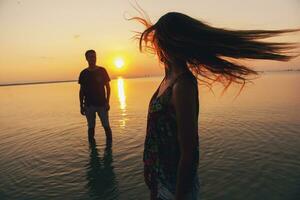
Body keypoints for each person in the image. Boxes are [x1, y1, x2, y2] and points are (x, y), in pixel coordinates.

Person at [133, 12, 298, 200]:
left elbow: (189, 151)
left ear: (169, 42)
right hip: (159, 181)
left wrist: (179, 196)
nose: (156, 46)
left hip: (175, 188)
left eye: (158, 41)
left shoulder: (182, 85)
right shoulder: (168, 78)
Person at [78, 49, 112, 144]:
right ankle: (92, 150)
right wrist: (81, 105)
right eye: (91, 57)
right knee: (90, 128)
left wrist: (107, 102)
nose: (93, 59)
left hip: (102, 104)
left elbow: (108, 88)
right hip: (89, 105)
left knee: (106, 126)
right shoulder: (83, 73)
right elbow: (81, 91)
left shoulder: (102, 70)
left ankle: (109, 149)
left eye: (94, 56)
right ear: (86, 58)